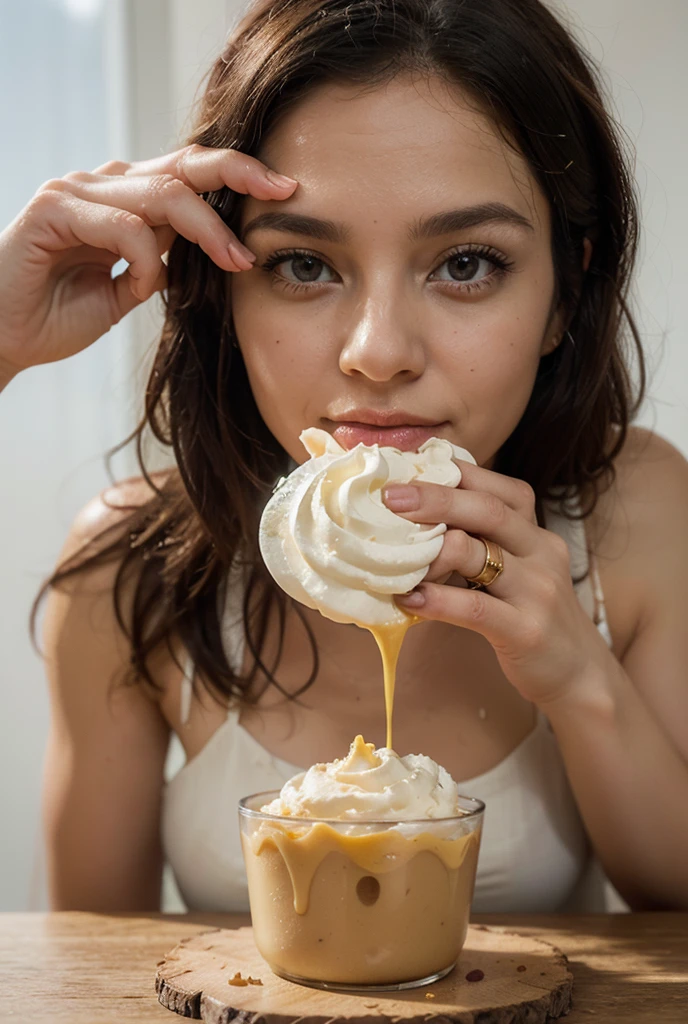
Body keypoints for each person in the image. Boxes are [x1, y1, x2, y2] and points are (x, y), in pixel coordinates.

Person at [4, 0, 687, 914]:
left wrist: (576, 674)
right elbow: (86, 979)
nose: (378, 350)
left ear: (567, 292)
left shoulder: (633, 516)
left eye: (468, 263)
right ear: (220, 287)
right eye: (305, 266)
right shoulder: (133, 571)